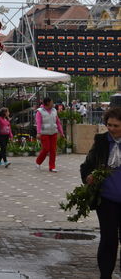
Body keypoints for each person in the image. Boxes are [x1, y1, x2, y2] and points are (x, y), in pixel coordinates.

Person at [80, 107, 121, 279]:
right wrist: (88, 176)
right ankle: (105, 275)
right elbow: (86, 166)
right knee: (108, 239)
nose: (111, 129)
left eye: (116, 126)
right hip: (107, 200)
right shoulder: (101, 141)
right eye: (109, 125)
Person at [35, 97, 65, 172]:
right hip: (44, 133)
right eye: (52, 102)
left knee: (53, 150)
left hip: (53, 133)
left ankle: (52, 166)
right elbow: (38, 123)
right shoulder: (40, 111)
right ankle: (38, 161)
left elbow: (58, 122)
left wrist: (61, 132)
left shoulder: (54, 110)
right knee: (46, 149)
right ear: (48, 103)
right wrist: (38, 133)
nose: (53, 103)